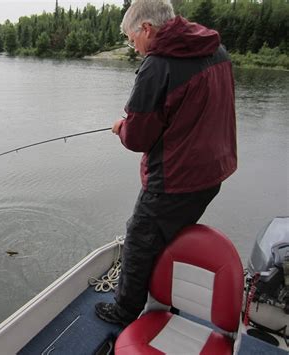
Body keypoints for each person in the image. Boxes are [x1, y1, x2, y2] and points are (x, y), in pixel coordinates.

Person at [95, 0, 237, 326]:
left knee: (140, 237)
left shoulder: (158, 65)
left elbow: (138, 139)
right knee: (170, 237)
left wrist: (122, 127)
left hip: (176, 178)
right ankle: (166, 298)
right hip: (212, 174)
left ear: (147, 29)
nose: (135, 48)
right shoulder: (217, 51)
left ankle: (125, 310)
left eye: (133, 40)